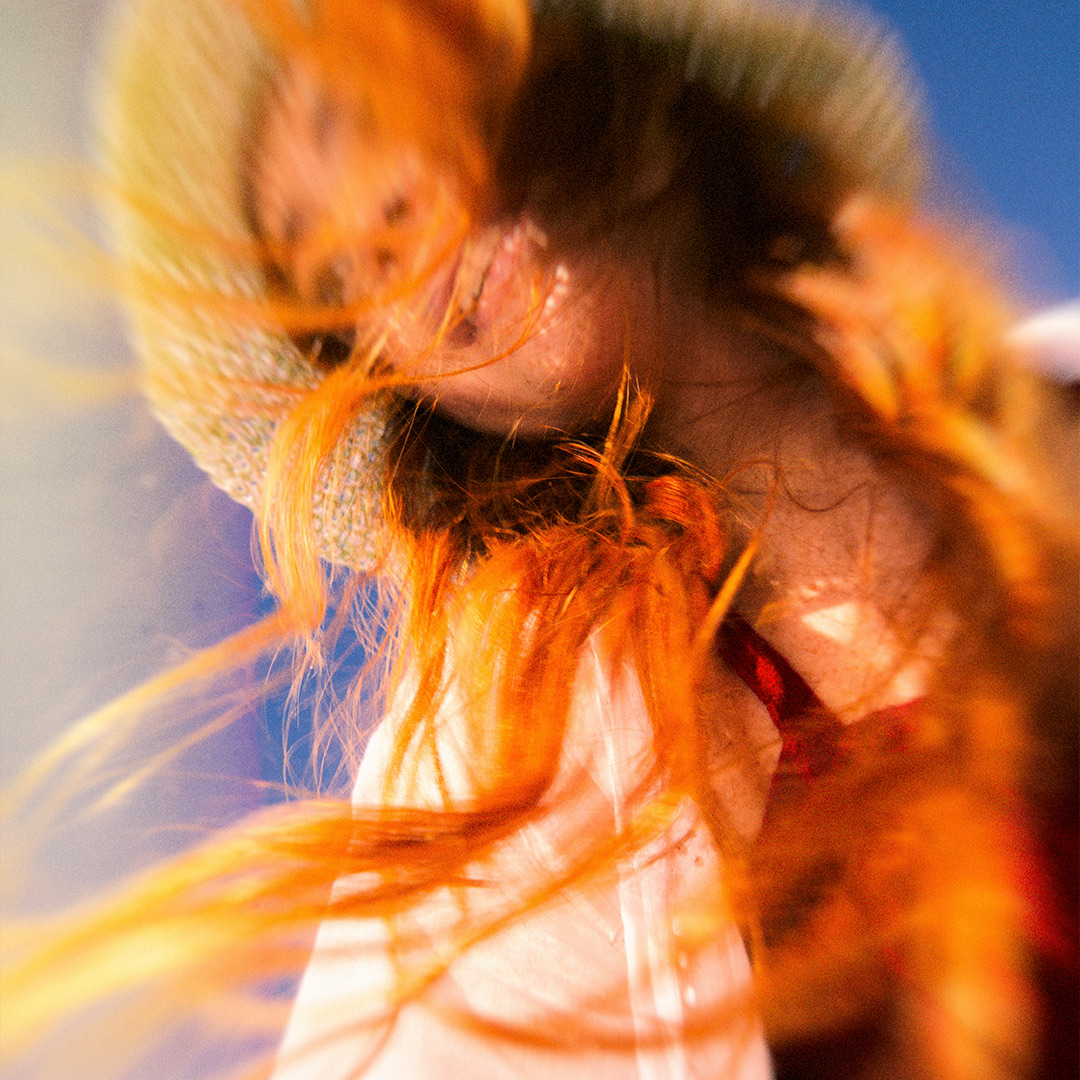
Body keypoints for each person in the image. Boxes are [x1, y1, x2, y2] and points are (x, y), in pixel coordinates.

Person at [3, 0, 1076, 1078]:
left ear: (638, 94)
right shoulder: (513, 754)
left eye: (365, 118)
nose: (372, 238)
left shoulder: (1044, 434)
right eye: (330, 281)